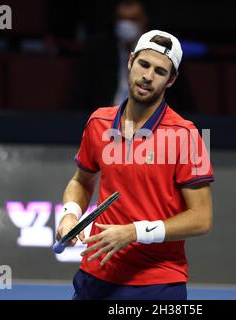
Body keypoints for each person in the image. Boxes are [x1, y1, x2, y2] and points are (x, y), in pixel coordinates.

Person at [56, 29, 214, 300]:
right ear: (130, 62)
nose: (148, 76)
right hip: (96, 275)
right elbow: (81, 181)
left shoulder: (186, 136)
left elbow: (201, 218)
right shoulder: (99, 122)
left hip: (157, 283)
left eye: (160, 71)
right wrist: (70, 213)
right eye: (144, 64)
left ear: (171, 80)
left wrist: (135, 232)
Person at [68, 0, 195, 115]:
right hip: (107, 125)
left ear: (145, 19)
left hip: (152, 126)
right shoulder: (97, 50)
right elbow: (78, 99)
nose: (126, 25)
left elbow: (184, 103)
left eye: (133, 20)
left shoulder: (166, 51)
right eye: (121, 19)